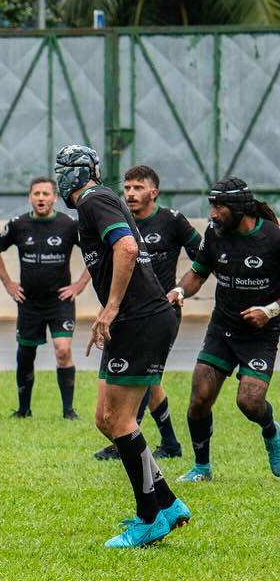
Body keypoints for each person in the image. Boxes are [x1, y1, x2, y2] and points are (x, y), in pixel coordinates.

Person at [54, 144, 189, 548]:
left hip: (139, 319)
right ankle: (167, 503)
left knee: (118, 420)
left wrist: (110, 309)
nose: (61, 177)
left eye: (64, 170)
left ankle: (149, 518)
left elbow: (127, 247)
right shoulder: (91, 207)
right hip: (140, 319)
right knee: (106, 418)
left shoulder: (96, 199)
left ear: (79, 173)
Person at [168, 177, 280, 484]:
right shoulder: (214, 234)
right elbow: (197, 274)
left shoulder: (272, 237)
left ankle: (272, 432)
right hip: (222, 329)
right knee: (199, 398)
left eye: (219, 207)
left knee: (250, 402)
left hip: (261, 335)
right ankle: (201, 468)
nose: (213, 214)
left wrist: (269, 311)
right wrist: (178, 291)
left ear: (239, 208)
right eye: (212, 206)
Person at [92, 165, 200, 460]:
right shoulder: (121, 222)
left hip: (160, 313)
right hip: (128, 313)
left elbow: (204, 257)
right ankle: (168, 444)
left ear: (154, 192)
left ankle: (126, 440)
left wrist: (180, 289)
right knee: (149, 379)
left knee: (139, 376)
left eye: (137, 188)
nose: (130, 193)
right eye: (126, 188)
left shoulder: (172, 221)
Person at [0, 177, 90, 419]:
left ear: (54, 198)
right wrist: (8, 284)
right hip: (29, 303)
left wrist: (80, 284)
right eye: (36, 194)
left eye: (45, 194)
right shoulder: (18, 225)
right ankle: (23, 410)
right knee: (25, 354)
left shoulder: (68, 225)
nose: (41, 198)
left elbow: (95, 253)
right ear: (30, 197)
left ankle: (68, 411)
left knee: (63, 350)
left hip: (60, 302)